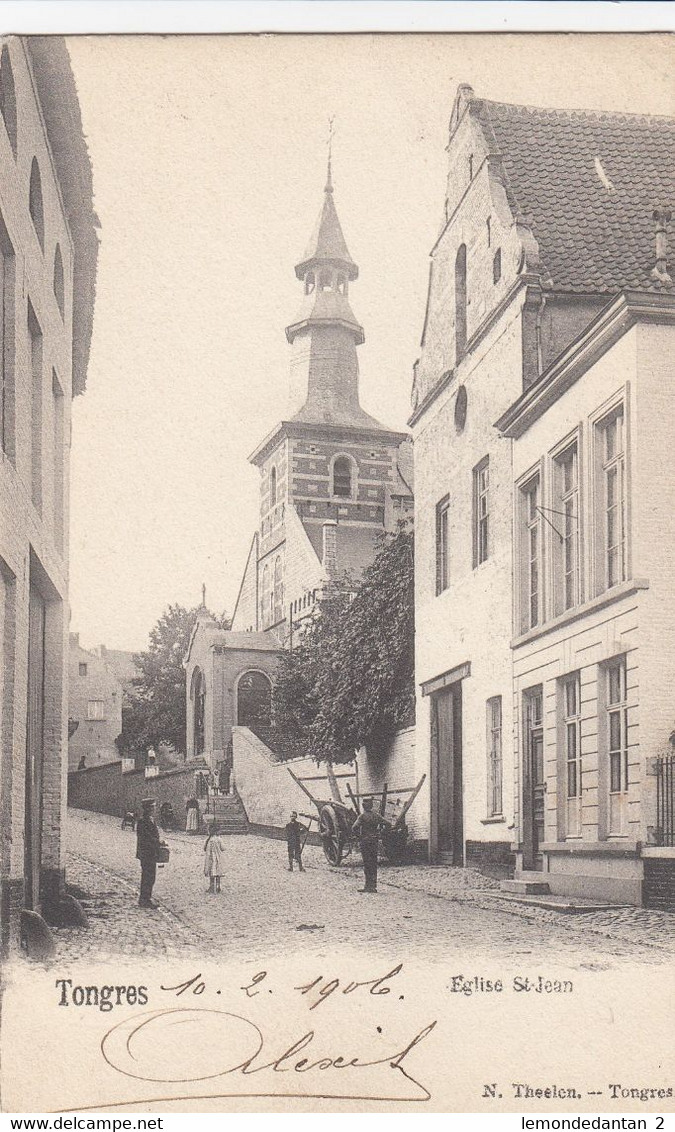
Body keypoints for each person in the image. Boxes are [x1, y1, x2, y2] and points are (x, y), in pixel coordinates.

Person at [351, 797, 389, 894]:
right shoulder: (376, 816)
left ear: (363, 806)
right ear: (371, 806)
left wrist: (359, 837)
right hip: (374, 841)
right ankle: (373, 886)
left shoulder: (362, 816)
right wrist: (381, 832)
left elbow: (354, 827)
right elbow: (388, 824)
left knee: (367, 864)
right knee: (373, 864)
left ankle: (368, 886)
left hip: (365, 842)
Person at [136, 798, 161, 908]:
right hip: (146, 853)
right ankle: (144, 900)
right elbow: (145, 837)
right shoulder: (143, 821)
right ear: (148, 808)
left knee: (151, 876)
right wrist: (158, 842)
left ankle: (146, 898)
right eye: (153, 806)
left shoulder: (151, 819)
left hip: (151, 853)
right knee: (148, 876)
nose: (155, 808)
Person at [204, 825, 226, 894]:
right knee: (218, 873)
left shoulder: (209, 840)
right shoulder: (219, 839)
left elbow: (205, 849)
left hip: (211, 858)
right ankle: (218, 886)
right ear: (217, 832)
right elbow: (223, 848)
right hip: (218, 858)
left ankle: (211, 887)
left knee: (212, 873)